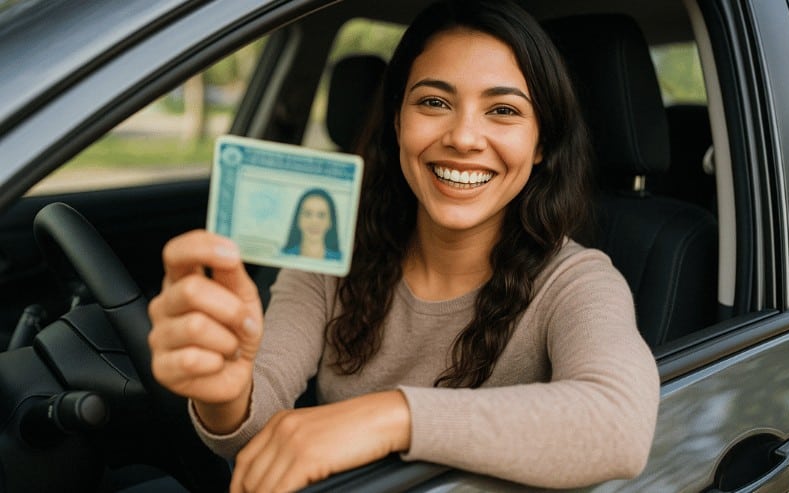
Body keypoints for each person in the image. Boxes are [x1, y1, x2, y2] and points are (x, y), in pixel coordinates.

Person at [146, 0, 660, 491]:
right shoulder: (332, 252)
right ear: (398, 122)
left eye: (502, 110)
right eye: (434, 102)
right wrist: (227, 392)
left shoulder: (576, 280)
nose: (463, 137)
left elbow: (620, 425)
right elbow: (255, 426)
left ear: (541, 143)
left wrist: (389, 417)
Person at [281, 188, 342, 260]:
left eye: (321, 215)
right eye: (307, 214)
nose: (314, 222)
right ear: (298, 220)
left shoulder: (340, 259)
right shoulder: (282, 256)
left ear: (330, 222)